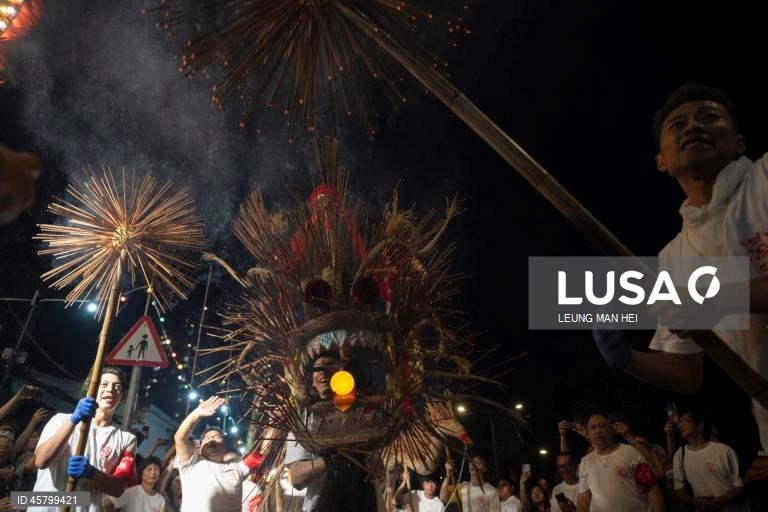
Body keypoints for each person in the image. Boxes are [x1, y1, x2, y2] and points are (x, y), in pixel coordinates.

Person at [592, 83, 768, 468]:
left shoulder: (765, 180)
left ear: (739, 142)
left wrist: (718, 300)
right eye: (678, 124)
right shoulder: (675, 257)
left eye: (709, 117)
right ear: (661, 161)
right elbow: (688, 372)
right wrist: (627, 359)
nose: (692, 128)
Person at [32, 367, 137, 512]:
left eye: (117, 386)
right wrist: (74, 420)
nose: (110, 390)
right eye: (103, 384)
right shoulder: (61, 420)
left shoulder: (127, 439)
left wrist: (92, 473)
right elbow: (41, 461)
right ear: (91, 389)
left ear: (121, 397)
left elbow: (120, 489)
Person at [174, 395, 270, 512]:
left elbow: (262, 453)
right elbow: (180, 438)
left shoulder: (237, 469)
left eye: (216, 437)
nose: (212, 439)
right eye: (207, 437)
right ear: (200, 447)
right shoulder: (191, 464)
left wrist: (273, 422)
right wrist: (197, 413)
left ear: (225, 447)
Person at [285, 350, 340, 511]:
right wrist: (333, 458)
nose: (324, 372)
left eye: (331, 366)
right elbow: (296, 478)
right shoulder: (304, 419)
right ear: (312, 379)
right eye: (318, 368)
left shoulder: (364, 415)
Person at [575, 414, 664, 512]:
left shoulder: (629, 452)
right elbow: (583, 498)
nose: (597, 431)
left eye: (602, 426)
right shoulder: (585, 462)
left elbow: (652, 487)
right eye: (593, 428)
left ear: (611, 430)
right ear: (589, 434)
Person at [672, 409, 747, 511]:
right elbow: (679, 490)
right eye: (679, 422)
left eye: (685, 421)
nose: (680, 425)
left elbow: (740, 486)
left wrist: (718, 500)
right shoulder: (680, 455)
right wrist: (695, 502)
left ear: (700, 427)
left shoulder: (723, 450)